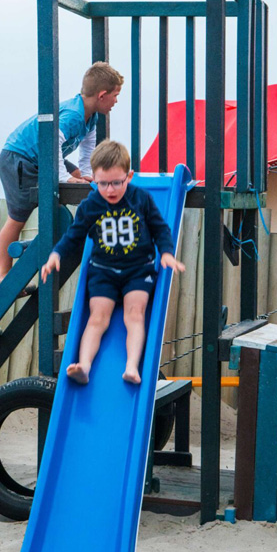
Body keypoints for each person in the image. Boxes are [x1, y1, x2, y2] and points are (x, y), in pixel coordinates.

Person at [41, 139, 184, 385]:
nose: (110, 190)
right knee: (97, 316)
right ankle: (84, 366)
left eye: (116, 182)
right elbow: (74, 235)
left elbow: (160, 228)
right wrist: (56, 254)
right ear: (94, 179)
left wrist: (167, 253)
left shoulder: (141, 199)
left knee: (135, 313)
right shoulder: (91, 205)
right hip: (103, 272)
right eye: (103, 183)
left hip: (138, 271)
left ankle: (131, 367)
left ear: (128, 177)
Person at [0, 62, 124, 284]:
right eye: (115, 95)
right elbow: (53, 141)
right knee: (17, 217)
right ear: (102, 95)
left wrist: (83, 173)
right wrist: (64, 177)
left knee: (75, 175)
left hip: (44, 157)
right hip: (20, 158)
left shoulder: (90, 116)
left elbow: (87, 150)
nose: (116, 101)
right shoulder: (74, 115)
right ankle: (2, 273)